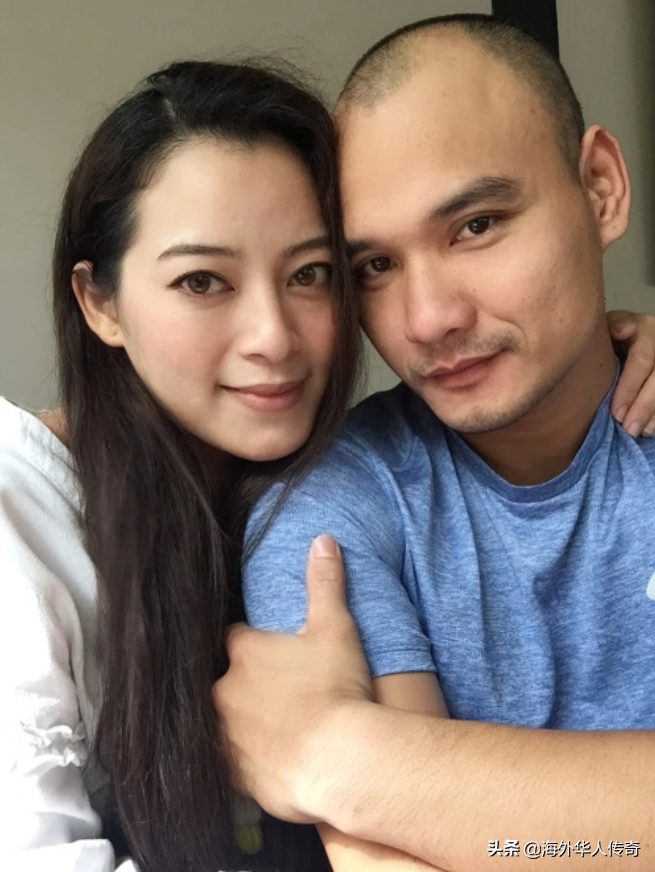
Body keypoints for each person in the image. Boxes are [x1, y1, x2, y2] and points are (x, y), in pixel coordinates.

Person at [214, 14, 655, 872]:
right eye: (374, 267)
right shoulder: (330, 511)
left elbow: (406, 814)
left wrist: (337, 758)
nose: (427, 320)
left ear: (599, 187)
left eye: (476, 225)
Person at [0, 58, 362, 872]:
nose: (273, 335)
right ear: (99, 303)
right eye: (202, 281)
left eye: (309, 274)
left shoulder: (355, 479)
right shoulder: (16, 510)